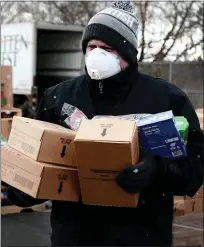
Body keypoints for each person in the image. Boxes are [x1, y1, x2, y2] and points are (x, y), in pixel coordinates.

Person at [7, 1, 203, 246]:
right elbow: (37, 164)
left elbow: (194, 172)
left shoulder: (166, 99)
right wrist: (22, 189)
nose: (96, 55)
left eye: (107, 49)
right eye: (91, 46)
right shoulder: (58, 98)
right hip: (74, 237)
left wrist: (156, 170)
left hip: (141, 237)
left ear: (128, 54)